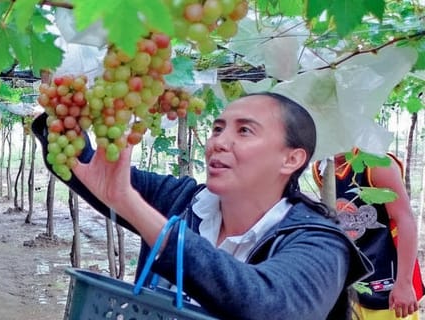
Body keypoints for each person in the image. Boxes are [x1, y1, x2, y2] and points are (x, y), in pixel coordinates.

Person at [33, 92, 373, 319]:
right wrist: (73, 100)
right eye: (218, 128)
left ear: (291, 159)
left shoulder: (321, 244)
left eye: (244, 132)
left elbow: (268, 306)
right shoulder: (185, 201)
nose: (219, 142)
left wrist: (132, 206)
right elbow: (88, 169)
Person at [313, 149, 424, 319]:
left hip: (387, 280)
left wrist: (404, 283)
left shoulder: (377, 164)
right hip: (350, 281)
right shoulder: (322, 169)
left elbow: (405, 220)